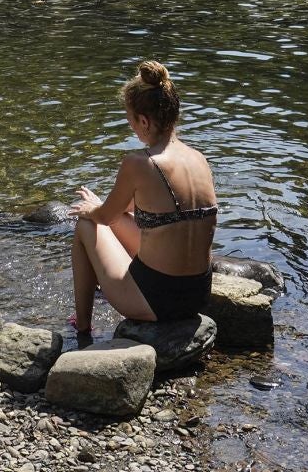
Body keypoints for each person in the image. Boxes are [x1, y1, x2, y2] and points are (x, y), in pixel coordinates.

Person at [68, 61, 218, 341]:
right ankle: (103, 290)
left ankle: (83, 328)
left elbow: (103, 218)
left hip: (157, 302)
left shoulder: (140, 163)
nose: (133, 129)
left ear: (145, 122)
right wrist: (107, 209)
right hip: (198, 295)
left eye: (132, 121)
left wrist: (92, 209)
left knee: (85, 226)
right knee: (122, 220)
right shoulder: (199, 159)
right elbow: (126, 213)